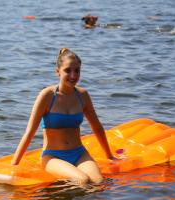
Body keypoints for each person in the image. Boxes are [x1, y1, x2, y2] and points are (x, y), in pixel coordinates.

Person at [11, 48, 115, 186]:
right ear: (57, 71)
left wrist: (110, 156)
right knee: (82, 180)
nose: (73, 75)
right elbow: (29, 132)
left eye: (77, 70)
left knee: (99, 182)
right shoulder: (47, 96)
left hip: (79, 153)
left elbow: (97, 127)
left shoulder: (82, 95)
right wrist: (13, 165)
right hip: (53, 157)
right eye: (68, 70)